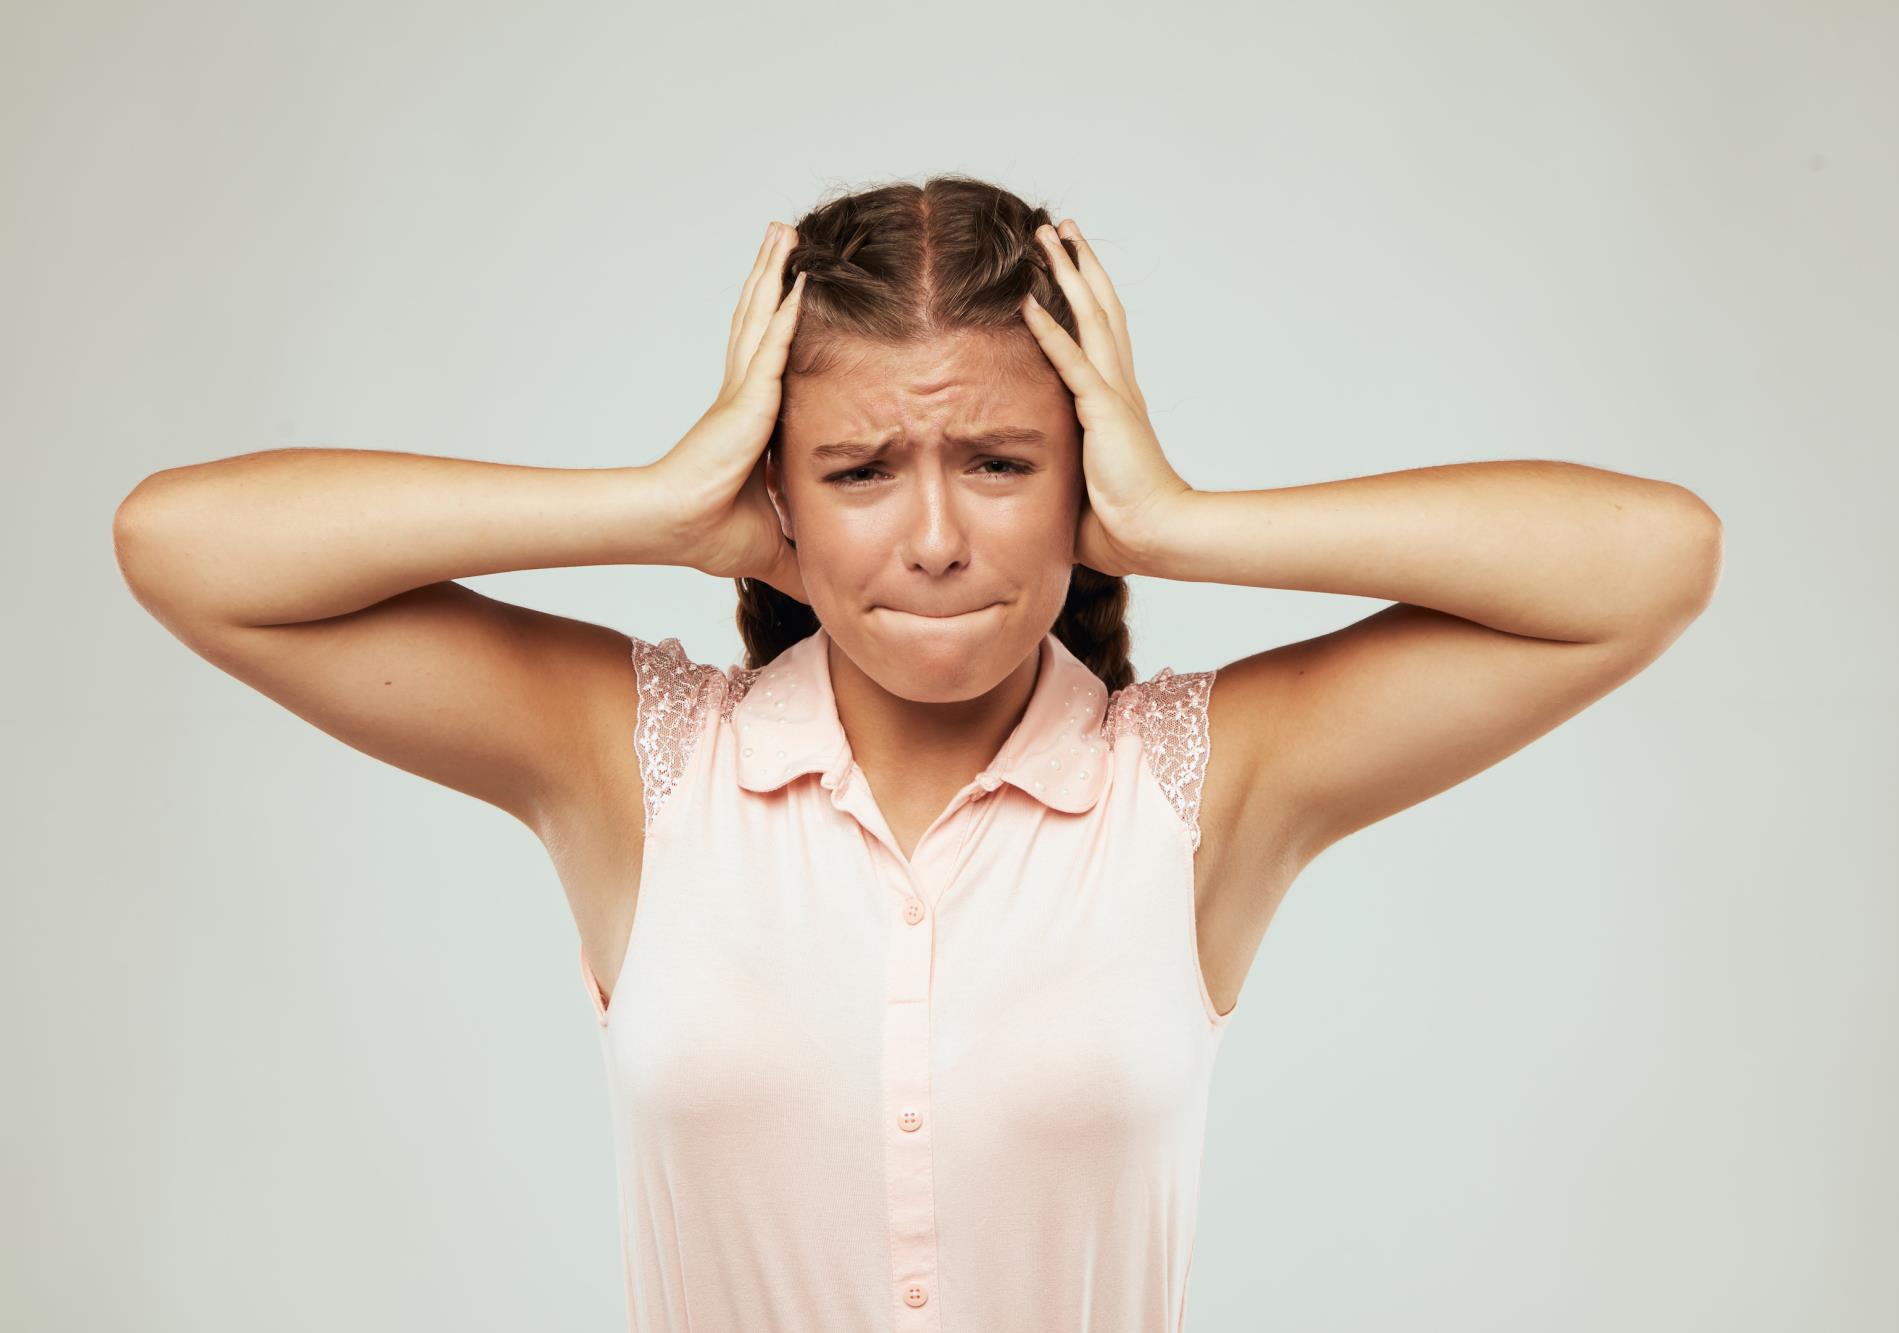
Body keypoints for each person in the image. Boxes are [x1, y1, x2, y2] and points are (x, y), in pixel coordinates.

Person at [111, 173, 1723, 1331]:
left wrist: (1184, 527)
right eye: (863, 467)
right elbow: (183, 543)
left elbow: (1648, 560)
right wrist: (652, 508)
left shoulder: (1197, 789)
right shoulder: (644, 768)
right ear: (778, 494)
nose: (939, 536)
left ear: (1079, 481)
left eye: (1004, 459)